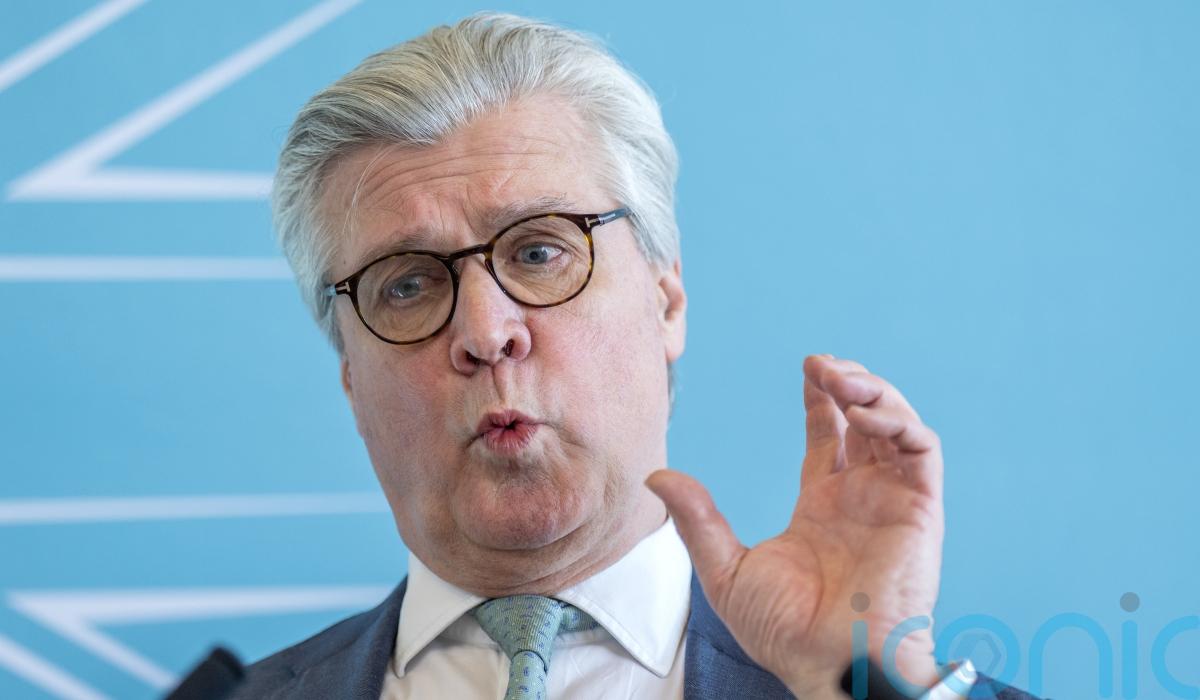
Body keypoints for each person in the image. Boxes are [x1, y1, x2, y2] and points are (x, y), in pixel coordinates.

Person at [178, 12, 1038, 700]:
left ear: (667, 302)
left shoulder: (849, 680)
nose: (486, 332)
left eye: (539, 251)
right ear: (350, 379)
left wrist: (868, 684)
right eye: (406, 285)